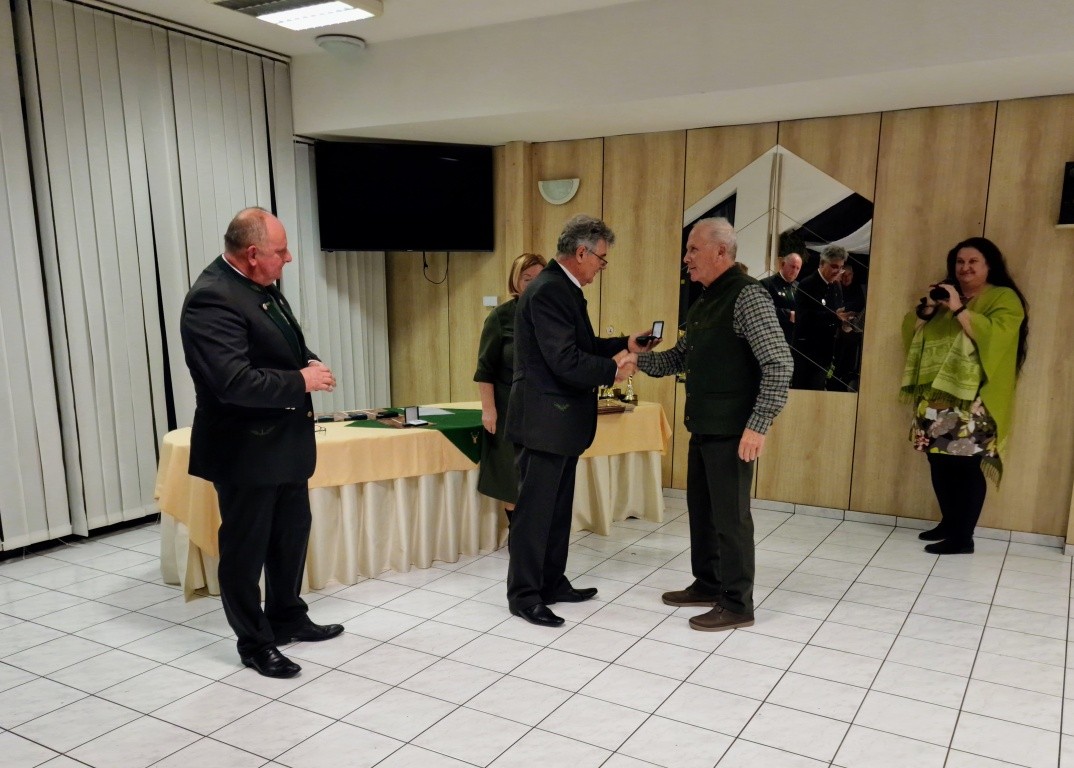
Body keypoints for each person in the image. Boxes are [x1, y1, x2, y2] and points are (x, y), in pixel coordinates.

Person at [180, 207, 344, 678]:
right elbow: (233, 382)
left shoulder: (260, 286)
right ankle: (254, 642)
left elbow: (282, 344)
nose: (288, 258)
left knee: (289, 537)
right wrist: (301, 380)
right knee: (245, 550)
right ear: (252, 254)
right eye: (281, 251)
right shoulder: (211, 299)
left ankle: (288, 617)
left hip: (284, 443)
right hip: (245, 451)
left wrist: (308, 361)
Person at [638, 217, 792, 631]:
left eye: (693, 249)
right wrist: (637, 360)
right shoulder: (705, 300)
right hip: (704, 426)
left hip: (733, 431)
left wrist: (758, 424)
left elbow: (779, 363)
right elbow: (679, 357)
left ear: (721, 251)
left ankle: (737, 603)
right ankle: (708, 583)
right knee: (703, 513)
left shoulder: (748, 296)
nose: (686, 258)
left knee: (731, 519)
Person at [505, 214, 652, 627]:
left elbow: (581, 345)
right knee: (535, 514)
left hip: (558, 424)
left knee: (556, 511)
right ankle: (524, 595)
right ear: (582, 252)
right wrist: (613, 371)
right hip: (544, 422)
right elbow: (564, 360)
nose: (602, 267)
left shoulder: (562, 288)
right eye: (601, 259)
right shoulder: (551, 289)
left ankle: (551, 582)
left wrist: (624, 343)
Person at [901, 236, 1028, 555]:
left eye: (973, 261)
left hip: (974, 399)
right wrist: (929, 309)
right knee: (937, 459)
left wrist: (958, 307)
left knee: (966, 465)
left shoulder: (1004, 297)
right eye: (959, 262)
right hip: (936, 396)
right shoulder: (946, 297)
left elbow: (995, 336)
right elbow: (912, 332)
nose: (965, 267)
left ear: (989, 266)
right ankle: (950, 523)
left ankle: (963, 537)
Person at [474, 252, 547, 516]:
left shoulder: (552, 315)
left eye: (540, 278)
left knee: (540, 480)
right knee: (512, 482)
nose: (534, 284)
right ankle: (518, 534)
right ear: (515, 281)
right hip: (508, 410)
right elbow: (485, 369)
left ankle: (534, 534)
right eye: (527, 278)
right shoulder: (500, 317)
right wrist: (489, 409)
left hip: (543, 410)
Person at [792, 245, 848, 390]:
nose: (837, 271)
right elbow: (803, 318)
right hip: (807, 353)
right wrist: (834, 317)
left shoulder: (836, 287)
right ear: (822, 263)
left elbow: (837, 313)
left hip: (826, 352)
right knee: (804, 393)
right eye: (834, 266)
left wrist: (844, 323)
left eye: (841, 267)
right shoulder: (807, 284)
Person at [829, 261, 866, 392]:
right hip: (837, 336)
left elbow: (859, 305)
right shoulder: (835, 288)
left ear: (853, 275)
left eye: (849, 275)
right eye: (844, 275)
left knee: (849, 364)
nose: (846, 277)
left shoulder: (857, 289)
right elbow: (834, 309)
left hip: (853, 337)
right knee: (836, 365)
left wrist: (846, 312)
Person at [759, 252, 802, 344]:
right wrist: (789, 315)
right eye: (793, 266)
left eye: (798, 268)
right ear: (783, 264)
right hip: (773, 337)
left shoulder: (800, 287)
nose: (795, 271)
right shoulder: (767, 284)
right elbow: (762, 310)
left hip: (794, 340)